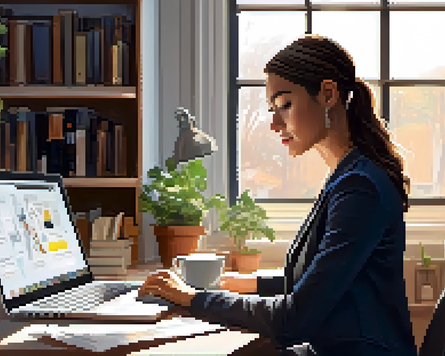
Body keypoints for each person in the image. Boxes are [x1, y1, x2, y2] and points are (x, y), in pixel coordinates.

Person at [138, 35, 417, 356]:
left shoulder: (359, 188)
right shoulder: (349, 176)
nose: (273, 124)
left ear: (328, 94)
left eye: (285, 104)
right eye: (272, 108)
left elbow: (293, 320)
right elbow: (311, 281)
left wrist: (191, 298)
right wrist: (235, 283)